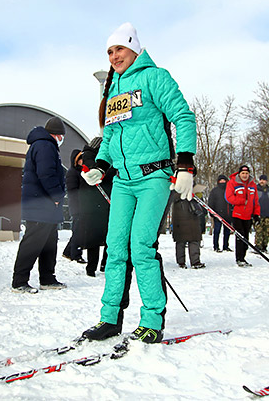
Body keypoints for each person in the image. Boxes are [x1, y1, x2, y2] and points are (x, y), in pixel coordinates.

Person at [80, 23, 196, 344]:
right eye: (109, 52)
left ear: (134, 48)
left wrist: (185, 165)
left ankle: (152, 320)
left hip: (153, 176)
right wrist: (101, 167)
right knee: (115, 248)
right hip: (123, 182)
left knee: (141, 247)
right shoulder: (113, 88)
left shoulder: (155, 77)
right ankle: (110, 318)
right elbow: (110, 135)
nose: (113, 56)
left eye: (118, 49)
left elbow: (183, 117)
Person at [11, 116, 68, 293]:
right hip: (41, 204)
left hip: (45, 205)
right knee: (33, 242)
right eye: (61, 136)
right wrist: (56, 195)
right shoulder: (45, 146)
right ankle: (19, 281)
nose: (61, 140)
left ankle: (47, 278)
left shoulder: (45, 145)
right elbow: (46, 174)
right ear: (57, 134)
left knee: (49, 242)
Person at [72, 138, 114, 277]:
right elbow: (106, 174)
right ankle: (99, 266)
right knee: (104, 237)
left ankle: (96, 266)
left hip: (95, 204)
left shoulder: (89, 157)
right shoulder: (94, 158)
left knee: (98, 237)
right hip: (98, 203)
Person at [225, 165, 260, 267]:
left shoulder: (252, 185)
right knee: (240, 237)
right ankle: (239, 258)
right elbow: (229, 197)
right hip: (237, 214)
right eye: (243, 173)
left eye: (246, 173)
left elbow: (256, 201)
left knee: (246, 238)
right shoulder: (232, 182)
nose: (245, 175)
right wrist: (241, 201)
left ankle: (243, 257)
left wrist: (256, 214)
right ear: (239, 174)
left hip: (248, 215)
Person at [170, 190, 205, 269]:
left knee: (192, 240)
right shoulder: (175, 186)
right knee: (182, 241)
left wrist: (196, 194)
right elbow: (173, 197)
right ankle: (183, 261)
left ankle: (193, 261)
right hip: (181, 216)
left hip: (192, 216)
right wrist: (185, 193)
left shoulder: (190, 184)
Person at [208, 175, 233, 252]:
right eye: (221, 180)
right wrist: (211, 212)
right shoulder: (214, 191)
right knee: (217, 231)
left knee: (227, 232)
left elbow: (233, 202)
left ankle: (226, 246)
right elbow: (211, 202)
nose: (222, 182)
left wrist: (232, 213)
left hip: (228, 215)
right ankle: (216, 246)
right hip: (217, 215)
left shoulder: (230, 190)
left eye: (224, 180)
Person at [255, 174, 269, 251]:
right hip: (258, 213)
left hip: (268, 214)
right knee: (259, 230)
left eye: (263, 180)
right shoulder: (256, 189)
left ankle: (264, 245)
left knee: (266, 230)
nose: (262, 181)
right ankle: (258, 245)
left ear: (266, 181)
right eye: (261, 179)